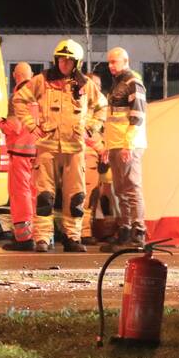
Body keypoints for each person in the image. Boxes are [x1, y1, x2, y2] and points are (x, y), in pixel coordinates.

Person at [13, 39, 107, 252]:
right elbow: (19, 100)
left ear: (77, 63)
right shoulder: (42, 80)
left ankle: (72, 237)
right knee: (44, 195)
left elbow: (102, 106)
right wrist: (30, 124)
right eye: (61, 59)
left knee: (76, 196)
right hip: (47, 147)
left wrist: (90, 128)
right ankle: (43, 239)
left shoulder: (85, 85)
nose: (64, 64)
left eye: (69, 60)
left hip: (74, 149)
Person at [101, 47, 148, 251]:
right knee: (120, 190)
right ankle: (126, 229)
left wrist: (128, 143)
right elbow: (111, 119)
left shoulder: (132, 83)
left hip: (128, 144)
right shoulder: (118, 84)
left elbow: (137, 116)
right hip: (116, 144)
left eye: (114, 62)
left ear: (125, 61)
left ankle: (138, 232)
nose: (111, 66)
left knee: (131, 188)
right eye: (109, 62)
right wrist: (107, 145)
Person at [0, 62, 39, 251]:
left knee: (20, 195)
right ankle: (37, 235)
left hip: (20, 153)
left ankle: (23, 238)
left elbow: (14, 127)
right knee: (33, 194)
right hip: (37, 153)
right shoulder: (39, 95)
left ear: (15, 75)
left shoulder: (18, 97)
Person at [80, 72, 107, 245]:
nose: (96, 87)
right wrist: (100, 148)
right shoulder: (84, 107)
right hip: (86, 155)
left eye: (98, 84)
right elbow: (85, 133)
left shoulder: (101, 106)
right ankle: (84, 233)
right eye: (92, 84)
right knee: (85, 196)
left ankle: (86, 230)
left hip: (98, 157)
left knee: (93, 196)